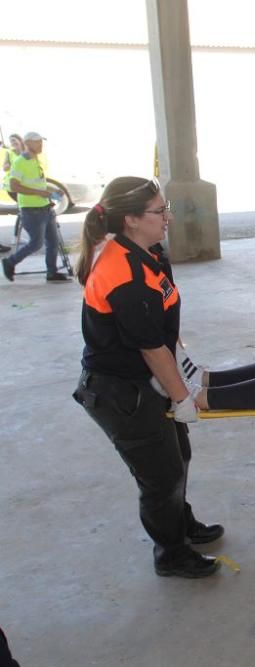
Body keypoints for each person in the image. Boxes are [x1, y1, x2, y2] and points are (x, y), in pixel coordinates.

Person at [71, 176, 223, 578]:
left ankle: (181, 524)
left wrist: (183, 371)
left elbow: (163, 332)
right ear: (132, 219)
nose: (168, 216)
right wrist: (183, 397)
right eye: (160, 210)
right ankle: (170, 553)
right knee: (161, 476)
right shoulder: (122, 271)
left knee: (178, 456)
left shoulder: (143, 252)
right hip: (121, 394)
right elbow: (150, 347)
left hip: (143, 381)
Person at [2, 132, 68, 282]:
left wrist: (52, 192)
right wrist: (39, 192)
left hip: (45, 208)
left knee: (53, 242)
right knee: (36, 243)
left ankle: (52, 272)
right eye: (38, 143)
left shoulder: (36, 160)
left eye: (41, 143)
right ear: (28, 143)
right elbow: (14, 186)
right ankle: (10, 261)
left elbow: (38, 183)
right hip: (31, 210)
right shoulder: (20, 161)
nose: (41, 146)